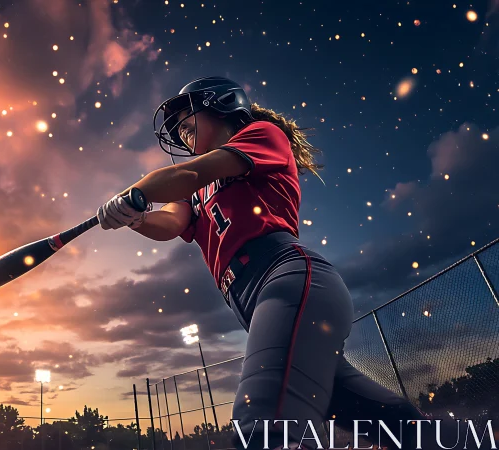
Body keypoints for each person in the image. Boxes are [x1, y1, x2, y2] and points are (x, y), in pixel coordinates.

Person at [97, 77, 471, 449]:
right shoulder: (193, 189)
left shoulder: (261, 135)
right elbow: (171, 223)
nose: (180, 129)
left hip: (286, 277)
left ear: (222, 103)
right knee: (383, 419)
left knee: (263, 428)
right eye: (176, 126)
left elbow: (188, 173)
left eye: (186, 115)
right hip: (252, 299)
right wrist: (137, 217)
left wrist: (138, 191)